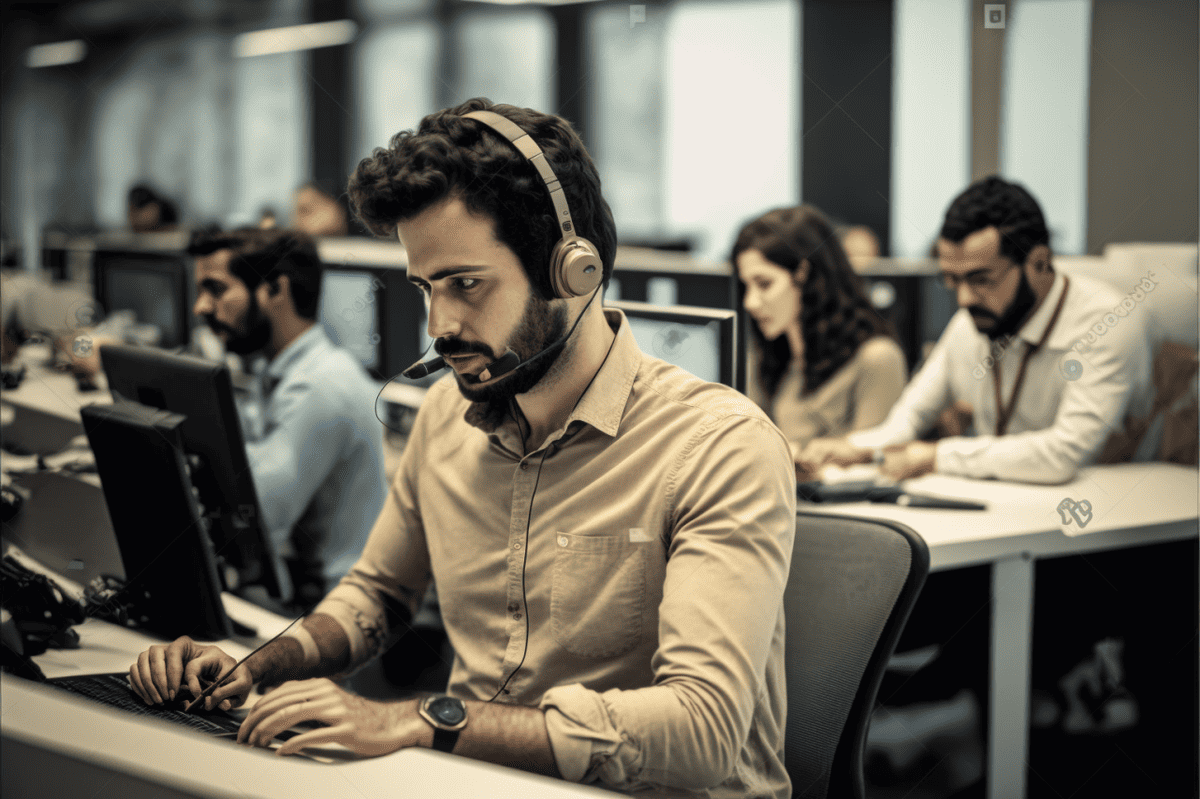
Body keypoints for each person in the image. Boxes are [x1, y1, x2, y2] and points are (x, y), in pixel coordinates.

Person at [129, 98, 796, 798]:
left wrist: (426, 720)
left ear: (573, 270)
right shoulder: (447, 417)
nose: (439, 326)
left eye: (466, 284)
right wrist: (259, 666)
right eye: (425, 288)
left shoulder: (719, 446)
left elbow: (703, 731)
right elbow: (380, 595)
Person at [796, 175, 1152, 484]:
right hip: (1002, 508)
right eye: (953, 280)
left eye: (982, 279)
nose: (964, 298)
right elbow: (909, 418)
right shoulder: (972, 321)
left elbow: (1064, 454)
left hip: (1106, 529)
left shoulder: (1107, 322)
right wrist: (850, 448)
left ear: (1039, 262)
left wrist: (935, 456)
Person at [186, 227, 385, 607]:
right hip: (307, 590)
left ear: (275, 290)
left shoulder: (319, 386)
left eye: (216, 289)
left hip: (337, 612)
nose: (201, 308)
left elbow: (253, 521)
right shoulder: (280, 371)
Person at [733, 205, 907, 457]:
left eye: (764, 284)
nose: (750, 302)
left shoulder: (877, 358)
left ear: (803, 274)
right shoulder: (773, 355)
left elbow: (875, 467)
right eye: (745, 286)